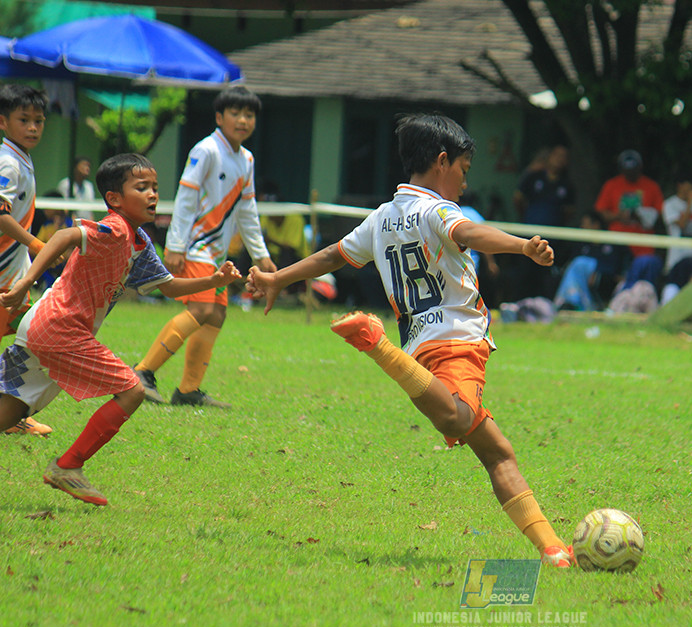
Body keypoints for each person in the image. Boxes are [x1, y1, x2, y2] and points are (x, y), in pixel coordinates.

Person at [247, 113, 575, 568]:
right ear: (442, 161)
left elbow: (332, 254)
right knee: (459, 419)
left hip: (421, 346)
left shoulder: (382, 218)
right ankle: (376, 343)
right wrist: (522, 246)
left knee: (498, 452)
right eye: (462, 170)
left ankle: (553, 549)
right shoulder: (438, 210)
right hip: (457, 339)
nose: (463, 182)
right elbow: (469, 232)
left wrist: (278, 278)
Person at [0, 153, 240, 505]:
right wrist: (25, 283)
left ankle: (67, 465)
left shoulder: (139, 242)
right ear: (114, 198)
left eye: (155, 188)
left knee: (13, 406)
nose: (153, 195)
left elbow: (170, 287)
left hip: (44, 325)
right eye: (142, 188)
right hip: (61, 328)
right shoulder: (115, 228)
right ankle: (68, 466)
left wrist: (215, 279)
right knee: (133, 391)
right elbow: (67, 235)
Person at [132, 86, 276, 408]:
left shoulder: (247, 159)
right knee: (200, 310)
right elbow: (186, 197)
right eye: (236, 113)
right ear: (219, 117)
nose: (243, 120)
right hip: (195, 246)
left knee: (217, 314)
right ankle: (142, 372)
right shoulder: (207, 150)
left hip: (217, 254)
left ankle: (188, 390)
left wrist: (261, 254)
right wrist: (176, 244)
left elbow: (247, 210)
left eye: (249, 114)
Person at [0, 84, 53, 436]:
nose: (33, 127)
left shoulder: (20, 157)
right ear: (3, 121)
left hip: (12, 273)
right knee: (35, 337)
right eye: (24, 120)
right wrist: (37, 244)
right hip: (3, 276)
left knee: (33, 337)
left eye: (38, 120)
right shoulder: (7, 162)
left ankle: (13, 410)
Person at [509, 145, 575, 300]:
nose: (559, 160)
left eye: (564, 157)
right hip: (528, 235)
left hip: (553, 238)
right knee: (525, 271)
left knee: (546, 273)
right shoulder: (533, 177)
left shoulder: (567, 185)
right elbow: (518, 200)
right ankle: (519, 304)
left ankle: (543, 307)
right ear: (550, 156)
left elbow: (569, 212)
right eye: (557, 155)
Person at [594, 149, 665, 282]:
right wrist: (619, 216)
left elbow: (660, 214)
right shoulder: (612, 185)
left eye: (634, 170)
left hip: (643, 243)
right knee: (611, 275)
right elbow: (601, 212)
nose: (630, 174)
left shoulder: (651, 186)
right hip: (617, 241)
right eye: (627, 170)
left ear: (640, 168)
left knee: (643, 275)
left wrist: (642, 216)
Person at [661, 173, 692, 274]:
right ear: (680, 185)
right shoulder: (669, 204)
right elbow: (682, 225)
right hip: (677, 254)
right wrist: (690, 203)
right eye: (690, 183)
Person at [56, 156, 96, 222]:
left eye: (89, 166)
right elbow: (64, 208)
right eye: (84, 165)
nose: (87, 168)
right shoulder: (66, 184)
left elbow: (90, 209)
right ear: (75, 167)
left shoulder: (89, 186)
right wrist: (75, 224)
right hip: (71, 224)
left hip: (86, 225)